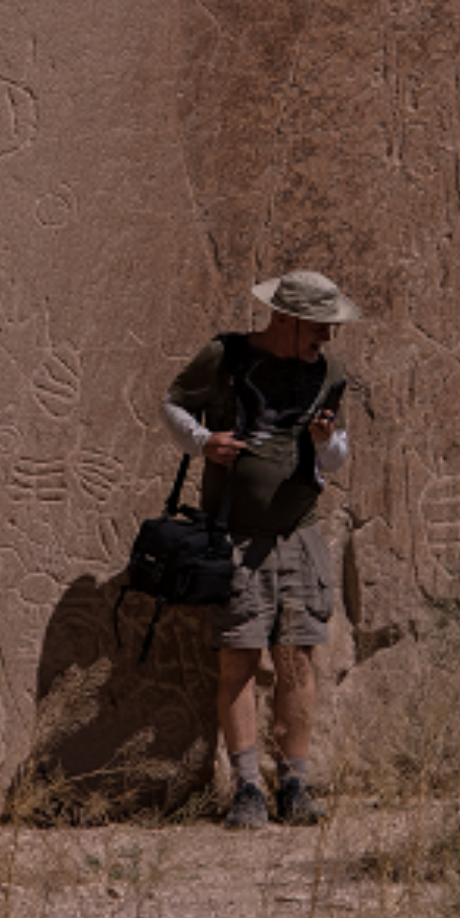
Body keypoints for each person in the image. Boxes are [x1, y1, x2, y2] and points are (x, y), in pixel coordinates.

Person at [161, 269, 359, 829]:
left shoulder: (328, 373)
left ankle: (294, 780)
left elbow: (337, 455)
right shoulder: (225, 356)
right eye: (320, 326)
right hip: (235, 538)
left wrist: (326, 444)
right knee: (239, 657)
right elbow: (172, 406)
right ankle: (248, 788)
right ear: (287, 318)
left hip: (297, 533)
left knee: (297, 658)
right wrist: (204, 442)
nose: (328, 338)